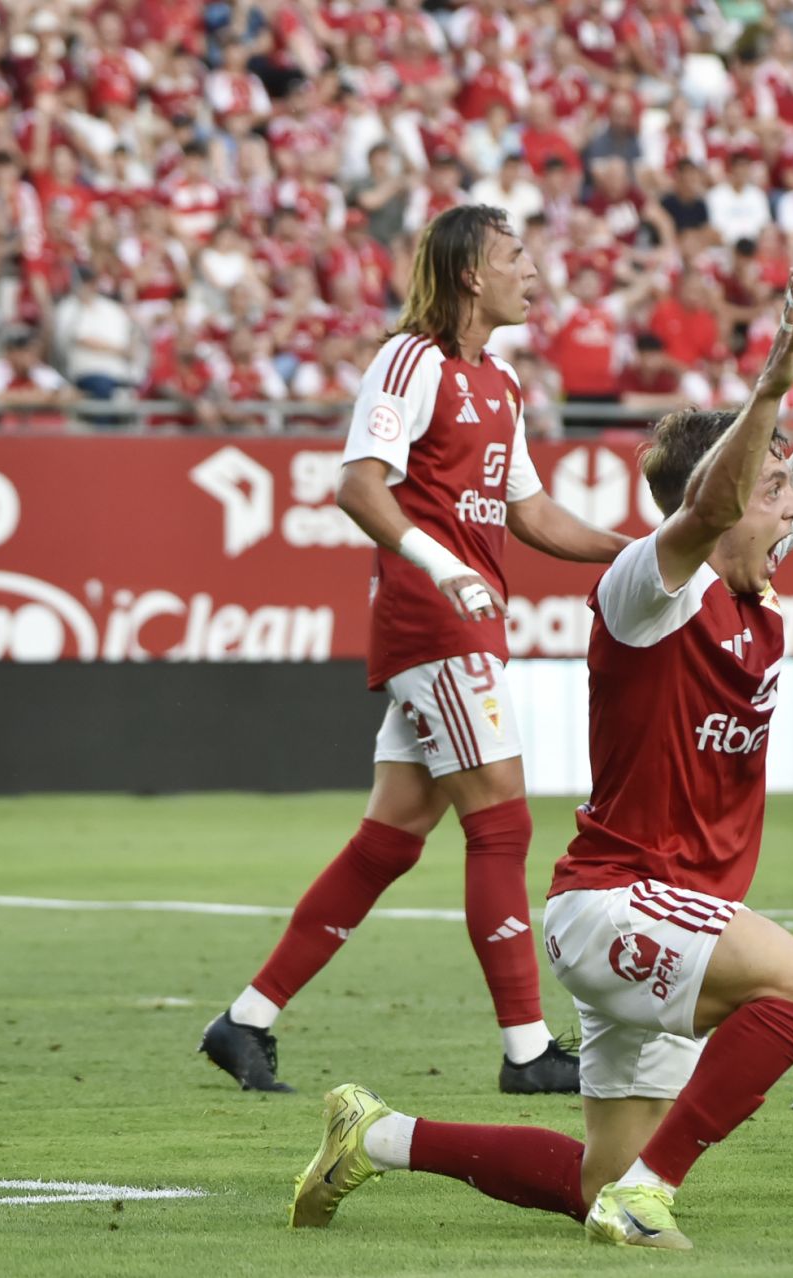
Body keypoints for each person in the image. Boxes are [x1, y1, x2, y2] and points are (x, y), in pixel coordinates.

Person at [283, 143, 793, 1251]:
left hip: (664, 915)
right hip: (619, 904)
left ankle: (376, 1136)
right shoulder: (650, 587)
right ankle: (649, 1188)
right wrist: (759, 398)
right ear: (715, 501)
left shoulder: (754, 559)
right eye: (771, 486)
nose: (790, 501)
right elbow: (707, 507)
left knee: (589, 1176)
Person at [198, 205, 629, 1096]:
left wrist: (635, 551)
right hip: (435, 621)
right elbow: (359, 486)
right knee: (502, 820)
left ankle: (245, 1021)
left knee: (390, 840)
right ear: (471, 273)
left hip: (466, 617)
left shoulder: (501, 382)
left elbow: (532, 515)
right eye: (516, 257)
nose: (533, 271)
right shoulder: (410, 359)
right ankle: (527, 1053)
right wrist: (443, 567)